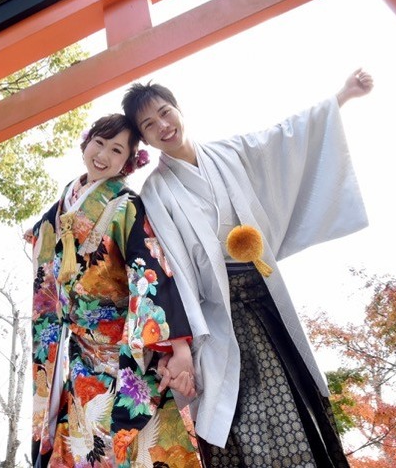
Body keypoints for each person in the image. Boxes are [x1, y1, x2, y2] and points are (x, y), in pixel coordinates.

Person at [121, 69, 375, 467]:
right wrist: (181, 344)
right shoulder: (155, 191)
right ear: (145, 139)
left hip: (265, 297)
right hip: (217, 315)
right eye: (149, 125)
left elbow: (285, 140)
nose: (163, 127)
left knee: (297, 394)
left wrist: (341, 97)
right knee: (246, 411)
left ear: (179, 110)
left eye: (166, 113)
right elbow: (171, 269)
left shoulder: (230, 152)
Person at [29, 113, 200, 468]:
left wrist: (178, 346)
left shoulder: (127, 206)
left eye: (116, 149)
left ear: (128, 162)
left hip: (121, 349)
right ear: (86, 142)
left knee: (140, 443)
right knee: (75, 443)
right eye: (99, 143)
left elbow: (150, 273)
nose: (103, 155)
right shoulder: (55, 212)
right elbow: (44, 272)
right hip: (74, 350)